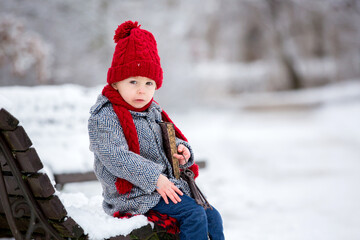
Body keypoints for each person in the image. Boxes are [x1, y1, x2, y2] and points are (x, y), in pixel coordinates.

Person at [88, 20, 224, 240]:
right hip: (133, 194)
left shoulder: (152, 111)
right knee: (193, 214)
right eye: (133, 82)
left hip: (162, 187)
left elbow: (166, 141)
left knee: (213, 217)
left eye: (149, 83)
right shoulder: (105, 115)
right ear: (115, 83)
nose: (142, 90)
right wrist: (155, 178)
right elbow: (116, 156)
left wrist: (181, 150)